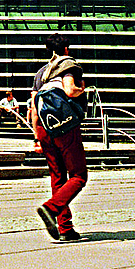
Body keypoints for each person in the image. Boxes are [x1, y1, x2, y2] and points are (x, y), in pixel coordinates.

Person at [31, 33, 87, 242]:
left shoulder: (41, 73)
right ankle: (50, 208)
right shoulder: (68, 65)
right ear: (66, 49)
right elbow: (70, 90)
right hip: (64, 126)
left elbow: (34, 107)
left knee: (58, 177)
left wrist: (38, 137)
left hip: (45, 129)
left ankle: (65, 229)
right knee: (79, 175)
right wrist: (83, 88)